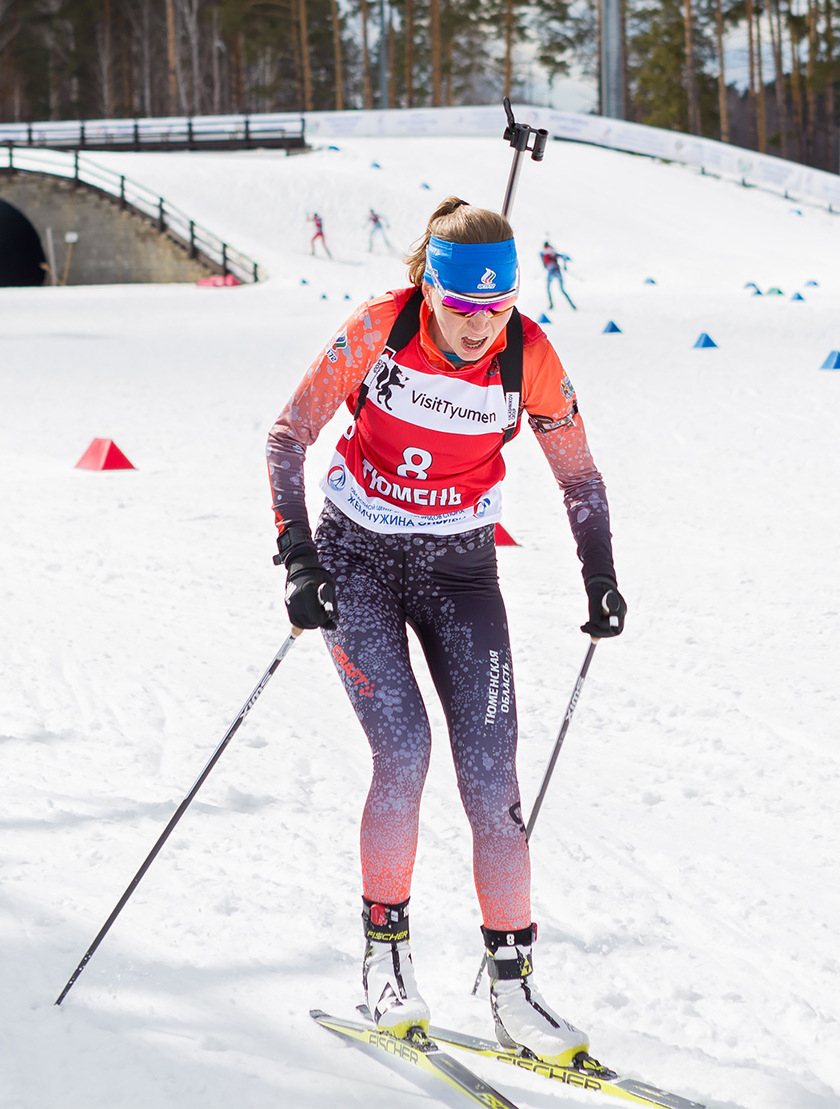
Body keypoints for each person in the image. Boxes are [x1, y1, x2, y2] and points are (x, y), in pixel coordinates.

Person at [265, 197, 626, 1066]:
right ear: (429, 286)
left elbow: (577, 474)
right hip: (357, 561)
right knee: (404, 751)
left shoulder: (527, 353)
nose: (477, 328)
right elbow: (288, 436)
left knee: (492, 773)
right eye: (461, 309)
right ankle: (386, 963)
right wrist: (299, 558)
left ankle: (514, 988)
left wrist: (601, 571)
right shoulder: (380, 329)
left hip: (461, 571)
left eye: (494, 309)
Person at [538, 240, 575, 310]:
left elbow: (544, 260)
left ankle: (551, 304)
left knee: (549, 288)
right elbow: (564, 257)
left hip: (552, 271)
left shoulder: (546, 252)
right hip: (556, 270)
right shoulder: (551, 252)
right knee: (561, 289)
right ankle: (571, 304)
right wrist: (565, 265)